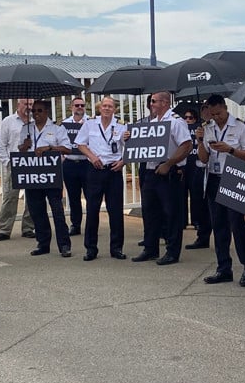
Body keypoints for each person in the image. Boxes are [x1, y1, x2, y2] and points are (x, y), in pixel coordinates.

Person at [195, 94, 245, 286]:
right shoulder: (208, 128)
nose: (216, 117)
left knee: (237, 225)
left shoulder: (240, 127)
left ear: (225, 107)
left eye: (219, 113)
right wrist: (199, 141)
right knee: (219, 226)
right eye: (212, 114)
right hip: (213, 178)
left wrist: (230, 150)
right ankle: (223, 268)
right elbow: (204, 159)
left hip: (233, 177)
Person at [130, 91, 192, 265]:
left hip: (169, 173)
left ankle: (172, 251)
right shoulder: (152, 123)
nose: (151, 104)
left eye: (154, 101)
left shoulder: (175, 122)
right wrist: (130, 139)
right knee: (150, 212)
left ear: (165, 102)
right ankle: (150, 248)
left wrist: (169, 164)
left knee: (171, 214)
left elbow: (186, 145)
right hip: (151, 171)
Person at [75, 96, 128, 261]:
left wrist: (123, 162)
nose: (106, 108)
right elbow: (80, 144)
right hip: (95, 170)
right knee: (92, 210)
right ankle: (91, 249)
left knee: (116, 211)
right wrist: (92, 157)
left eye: (110, 106)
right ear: (99, 108)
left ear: (114, 109)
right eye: (104, 106)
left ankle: (116, 248)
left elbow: (130, 147)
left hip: (113, 170)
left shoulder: (121, 126)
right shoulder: (90, 124)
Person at [25, 99, 74, 258]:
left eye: (39, 111)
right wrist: (24, 145)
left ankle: (64, 244)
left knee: (57, 210)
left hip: (51, 174)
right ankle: (43, 243)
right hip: (32, 174)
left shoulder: (57, 129)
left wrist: (51, 148)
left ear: (46, 112)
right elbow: (19, 150)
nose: (36, 114)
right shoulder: (27, 129)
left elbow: (68, 149)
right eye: (34, 111)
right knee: (36, 210)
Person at [0, 99, 35, 241]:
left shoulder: (35, 121)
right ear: (18, 105)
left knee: (32, 198)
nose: (28, 107)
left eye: (31, 105)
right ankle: (4, 229)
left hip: (33, 163)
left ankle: (28, 227)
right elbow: (1, 143)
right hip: (14, 162)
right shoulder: (8, 121)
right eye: (26, 104)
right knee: (10, 196)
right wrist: (7, 162)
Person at [180, 108, 213, 250]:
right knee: (199, 203)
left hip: (215, 171)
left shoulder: (214, 128)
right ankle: (203, 237)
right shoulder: (201, 129)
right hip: (199, 169)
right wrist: (199, 140)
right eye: (203, 109)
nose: (206, 112)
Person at [61, 96, 90, 236]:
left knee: (91, 195)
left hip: (87, 163)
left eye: (82, 105)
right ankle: (76, 224)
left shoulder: (91, 122)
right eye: (77, 105)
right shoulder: (64, 124)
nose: (79, 108)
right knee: (73, 196)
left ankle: (91, 224)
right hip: (70, 163)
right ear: (71, 107)